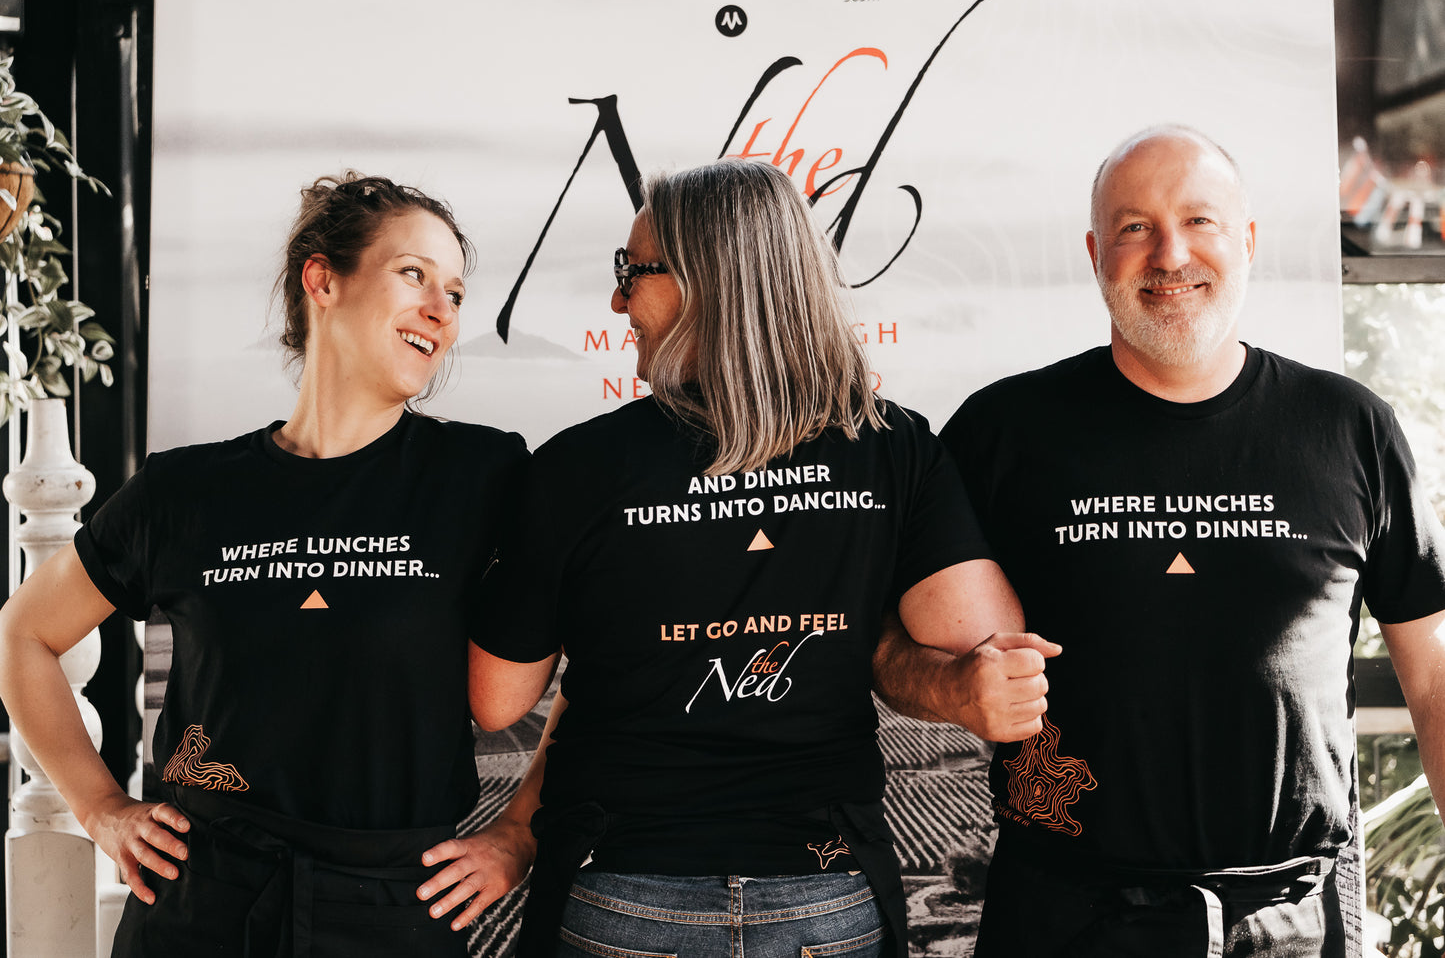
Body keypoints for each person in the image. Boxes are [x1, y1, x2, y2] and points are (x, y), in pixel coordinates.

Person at [462, 158, 1054, 958]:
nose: (616, 300)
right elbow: (975, 644)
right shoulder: (893, 447)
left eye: (630, 272)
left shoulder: (577, 467)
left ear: (707, 281)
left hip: (623, 888)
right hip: (825, 892)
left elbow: (499, 699)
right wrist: (861, 623)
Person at [878, 125, 1445, 957]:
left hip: (1289, 919)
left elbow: (1430, 673)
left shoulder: (1349, 425)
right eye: (1133, 226)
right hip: (1065, 917)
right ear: (1094, 253)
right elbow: (885, 647)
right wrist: (949, 687)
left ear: (1246, 240)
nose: (1168, 253)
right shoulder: (1001, 431)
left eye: (1199, 221)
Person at [0, 172, 529, 956]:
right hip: (202, 898)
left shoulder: (483, 476)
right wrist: (101, 805)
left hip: (392, 905)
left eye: (454, 292)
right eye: (414, 274)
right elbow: (24, 634)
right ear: (323, 279)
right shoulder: (186, 489)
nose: (441, 310)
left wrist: (520, 830)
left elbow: (606, 660)